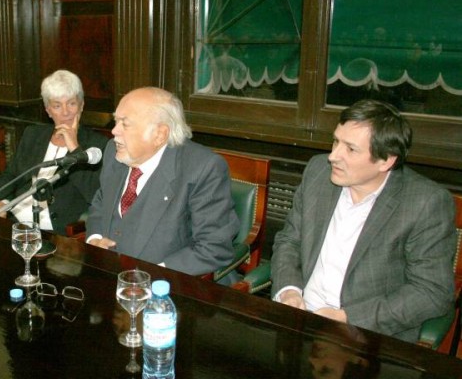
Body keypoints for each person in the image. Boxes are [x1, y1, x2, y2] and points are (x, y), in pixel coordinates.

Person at [270, 99, 456, 343]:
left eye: (351, 149)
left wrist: (347, 317)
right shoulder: (318, 173)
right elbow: (289, 241)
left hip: (367, 334)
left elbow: (432, 292)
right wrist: (289, 291)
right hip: (301, 319)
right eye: (336, 141)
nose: (333, 157)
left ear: (386, 160)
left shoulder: (425, 203)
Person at [86, 87, 239, 278]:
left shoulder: (203, 168)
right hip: (107, 274)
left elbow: (214, 247)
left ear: (159, 134)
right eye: (116, 121)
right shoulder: (114, 152)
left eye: (125, 124)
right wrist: (95, 239)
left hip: (165, 287)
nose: (114, 131)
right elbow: (101, 200)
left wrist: (155, 273)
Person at [0, 70, 108, 235]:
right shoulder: (33, 134)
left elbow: (95, 194)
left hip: (55, 232)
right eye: (57, 105)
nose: (65, 112)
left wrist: (75, 149)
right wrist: (1, 201)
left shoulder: (98, 145)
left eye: (71, 103)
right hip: (15, 222)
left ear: (82, 105)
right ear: (48, 110)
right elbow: (10, 175)